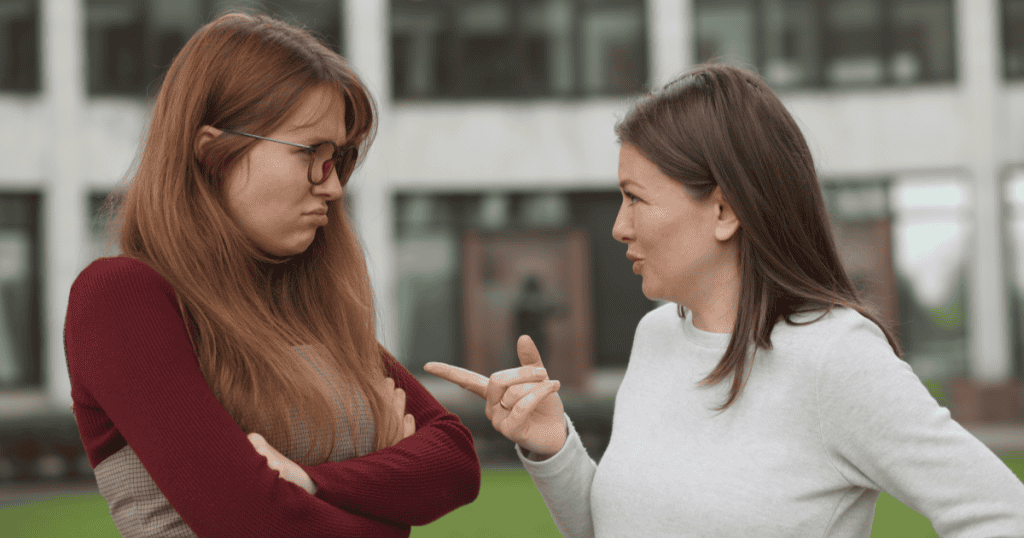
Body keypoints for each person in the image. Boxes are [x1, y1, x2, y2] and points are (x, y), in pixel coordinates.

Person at [424, 64, 1024, 537]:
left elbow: (1000, 515)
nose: (618, 227)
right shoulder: (655, 335)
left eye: (635, 198)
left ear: (724, 209)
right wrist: (552, 444)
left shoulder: (834, 356)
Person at [64, 12, 479, 537]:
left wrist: (308, 481)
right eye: (312, 154)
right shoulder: (121, 298)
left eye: (339, 159)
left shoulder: (306, 305)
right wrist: (390, 494)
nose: (332, 187)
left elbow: (455, 460)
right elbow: (254, 522)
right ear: (213, 153)